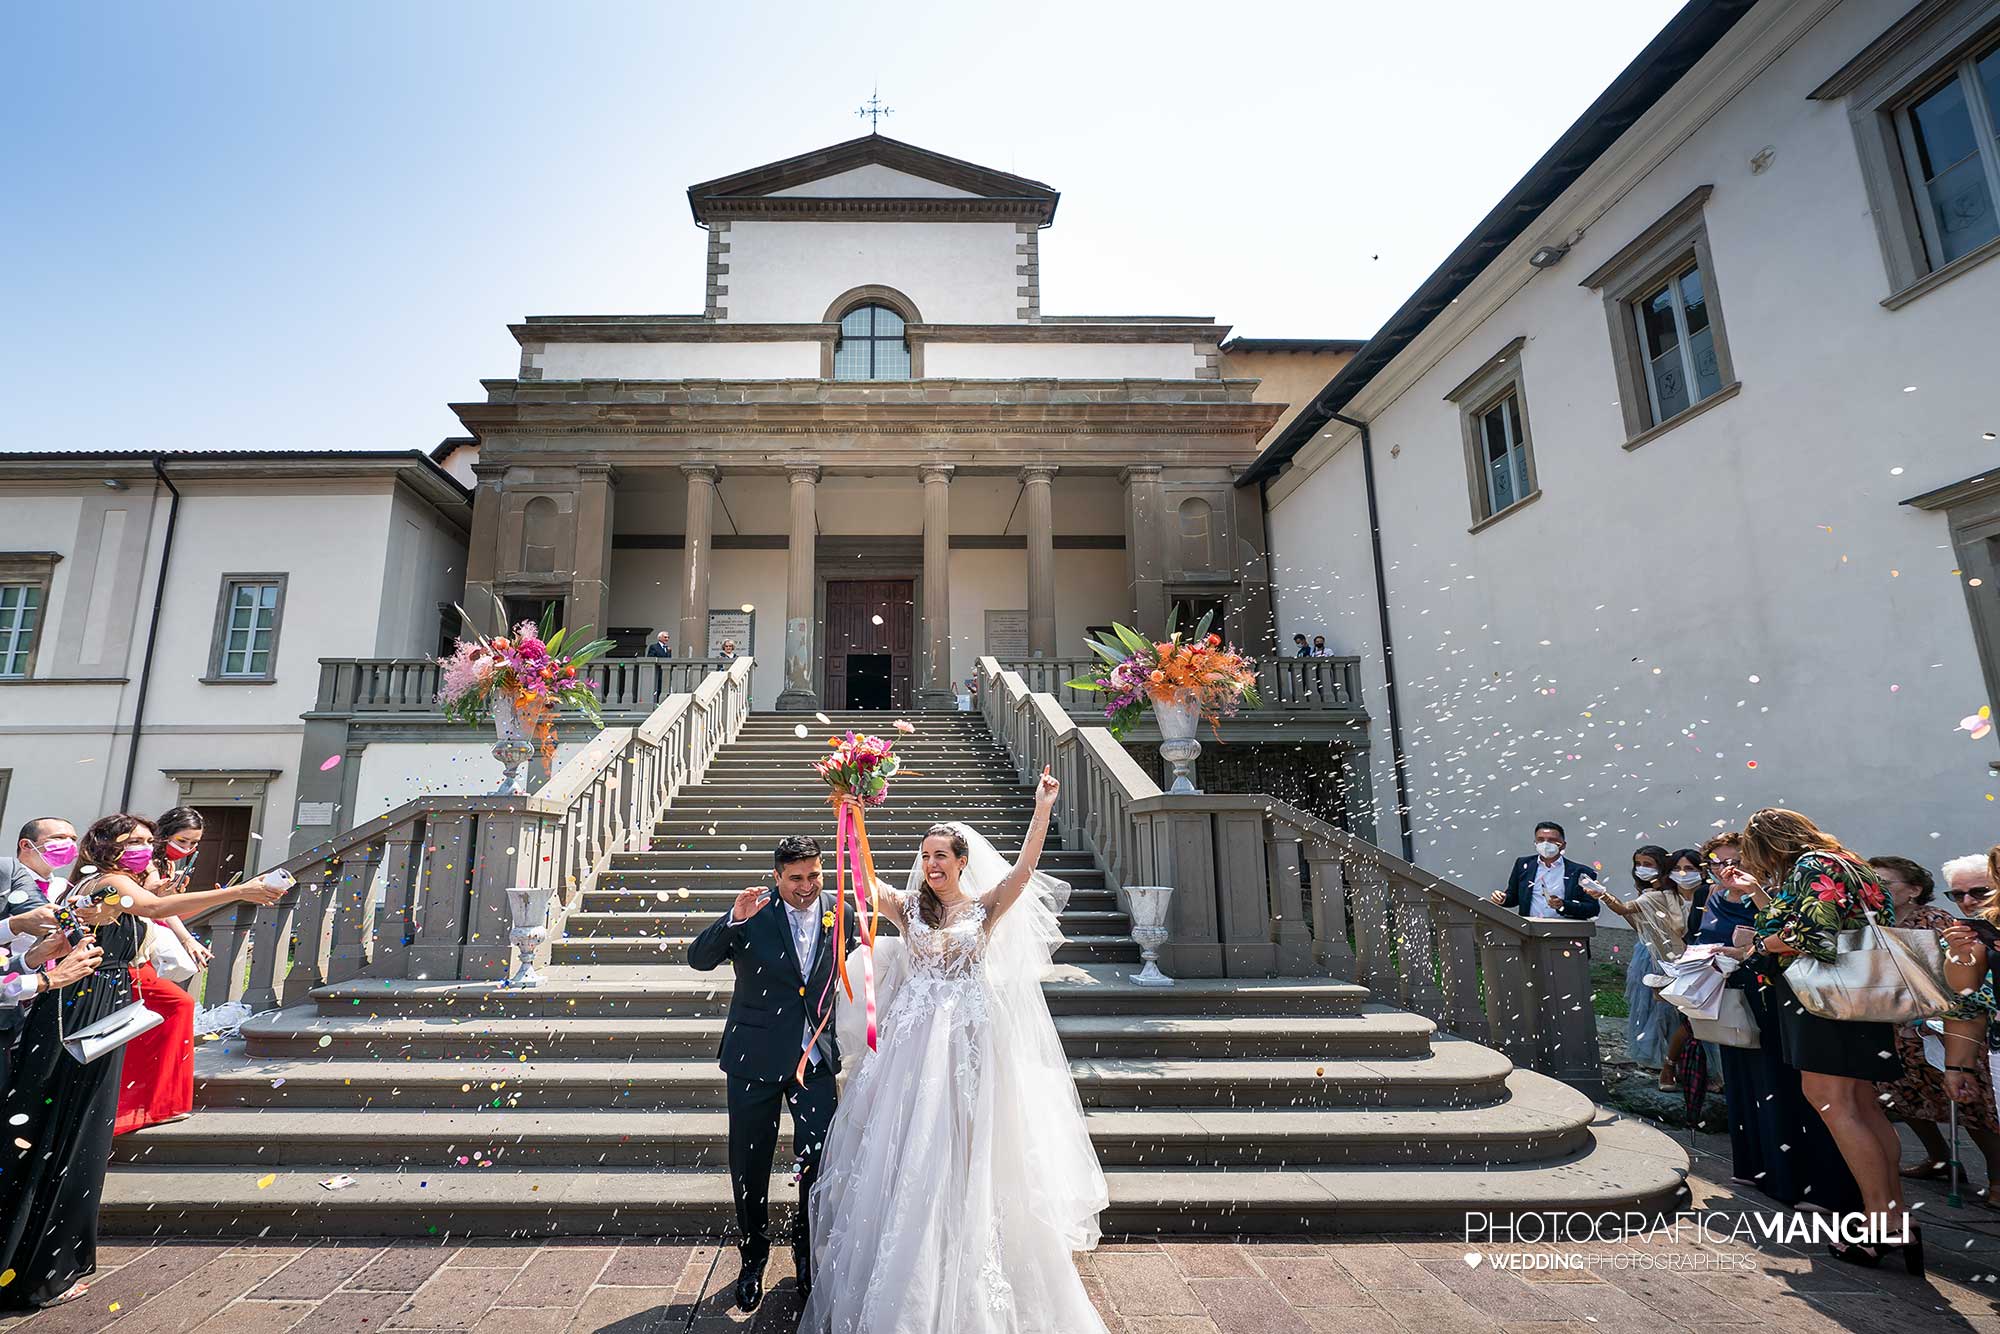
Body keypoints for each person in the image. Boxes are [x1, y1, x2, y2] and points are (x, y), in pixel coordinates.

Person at [803, 769, 1110, 1334]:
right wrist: (852, 813)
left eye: (941, 855)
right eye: (925, 855)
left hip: (968, 1045)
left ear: (961, 860)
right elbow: (866, 885)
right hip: (911, 1049)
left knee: (966, 1145)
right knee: (909, 1141)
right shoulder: (909, 909)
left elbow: (1023, 874)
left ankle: (967, 1248)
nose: (931, 864)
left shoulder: (984, 909)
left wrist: (1043, 806)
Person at [0, 813, 283, 1312]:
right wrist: (238, 892)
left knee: (81, 1135)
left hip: (99, 1007)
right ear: (105, 847)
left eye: (148, 842)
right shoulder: (105, 882)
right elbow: (153, 905)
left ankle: (46, 1263)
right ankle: (37, 1270)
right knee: (67, 1135)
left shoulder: (108, 885)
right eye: (133, 842)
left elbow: (151, 905)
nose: (143, 849)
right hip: (79, 1013)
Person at [687, 835, 859, 1313]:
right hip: (753, 1059)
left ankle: (808, 1259)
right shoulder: (753, 912)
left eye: (815, 875)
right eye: (796, 878)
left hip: (816, 1063)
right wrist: (731, 920)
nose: (807, 887)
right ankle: (753, 1257)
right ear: (777, 877)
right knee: (750, 1163)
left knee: (818, 1165)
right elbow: (698, 959)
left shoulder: (839, 911)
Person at [1737, 808, 1914, 1270]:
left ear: (1769, 843)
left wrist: (1761, 944)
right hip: (1860, 999)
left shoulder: (1810, 865)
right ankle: (1894, 1216)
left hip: (1825, 1002)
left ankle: (1881, 1226)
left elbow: (1816, 935)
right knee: (1862, 1103)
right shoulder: (1850, 862)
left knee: (1833, 1103)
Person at [1700, 833, 1863, 1213]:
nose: (1727, 869)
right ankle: (1758, 1167)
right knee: (1746, 1085)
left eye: (1736, 859)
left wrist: (1751, 943)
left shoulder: (1788, 883)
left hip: (1775, 993)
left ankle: (1798, 1179)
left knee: (1783, 1086)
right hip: (1733, 993)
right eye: (1717, 862)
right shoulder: (1711, 897)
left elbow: (1791, 933)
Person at [1882, 855, 2000, 1198]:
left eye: (1979, 891)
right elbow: (1967, 1002)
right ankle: (1940, 1160)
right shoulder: (1979, 935)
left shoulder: (1933, 920)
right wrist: (1962, 958)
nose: (1967, 902)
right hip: (1985, 1046)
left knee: (1980, 1116)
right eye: (1958, 895)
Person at [113, 807, 211, 1134]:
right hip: (129, 953)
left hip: (144, 949)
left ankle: (163, 1100)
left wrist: (187, 935)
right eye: (183, 840)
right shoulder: (140, 866)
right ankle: (155, 1101)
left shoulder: (166, 863)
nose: (188, 848)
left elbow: (164, 907)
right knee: (174, 1007)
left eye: (194, 844)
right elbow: (155, 905)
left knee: (169, 1010)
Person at [1585, 844, 1680, 1079]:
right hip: (1645, 952)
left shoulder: (1663, 894)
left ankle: (1670, 1058)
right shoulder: (1646, 893)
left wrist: (1602, 893)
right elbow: (1639, 926)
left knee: (1666, 1008)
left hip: (1666, 955)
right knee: (1646, 1004)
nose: (1642, 869)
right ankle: (1656, 1057)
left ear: (1662, 867)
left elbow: (1620, 908)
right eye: (1638, 864)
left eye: (1648, 864)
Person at [1490, 821, 1603, 921]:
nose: (1545, 844)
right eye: (1540, 840)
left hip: (1567, 932)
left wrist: (1563, 905)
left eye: (1552, 840)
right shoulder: (1523, 864)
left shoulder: (1581, 872)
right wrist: (1502, 898)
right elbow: (1513, 897)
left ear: (1563, 845)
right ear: (1535, 842)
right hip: (1529, 930)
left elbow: (1593, 909)